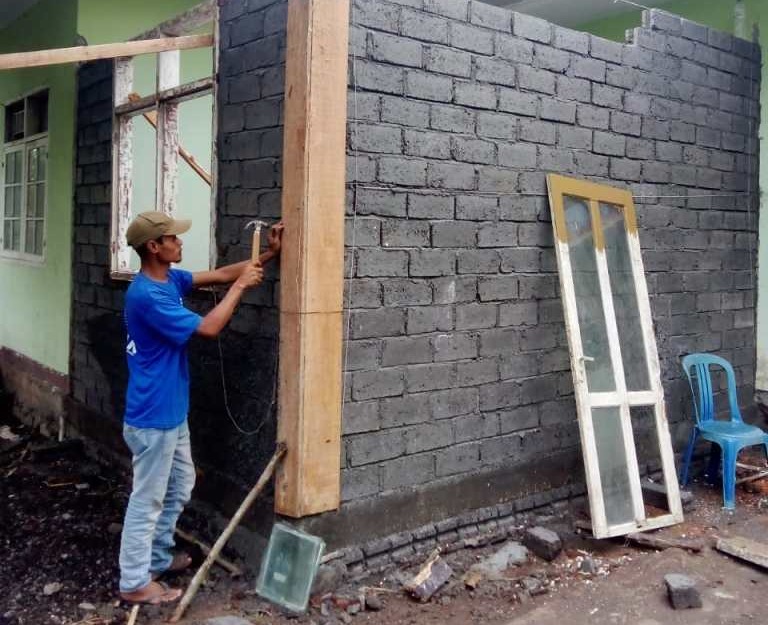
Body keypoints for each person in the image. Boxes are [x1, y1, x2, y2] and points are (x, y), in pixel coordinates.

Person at [118, 210, 283, 605]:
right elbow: (209, 328)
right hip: (152, 417)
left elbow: (225, 273)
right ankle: (135, 581)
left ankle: (156, 558)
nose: (180, 243)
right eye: (173, 238)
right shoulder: (147, 296)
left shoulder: (169, 279)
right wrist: (241, 288)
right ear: (154, 247)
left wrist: (269, 255)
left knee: (179, 486)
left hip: (170, 412)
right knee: (148, 498)